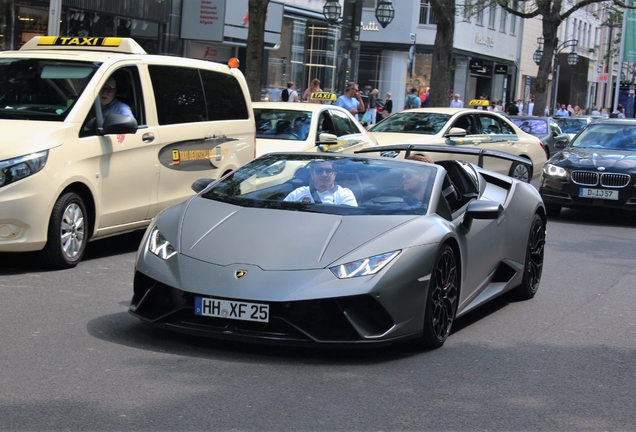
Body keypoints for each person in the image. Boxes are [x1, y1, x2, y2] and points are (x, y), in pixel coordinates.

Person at [284, 160, 357, 206]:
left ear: (334, 174)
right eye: (319, 170)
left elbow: (349, 220)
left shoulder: (344, 194)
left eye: (328, 171)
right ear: (312, 174)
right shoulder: (298, 193)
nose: (324, 174)